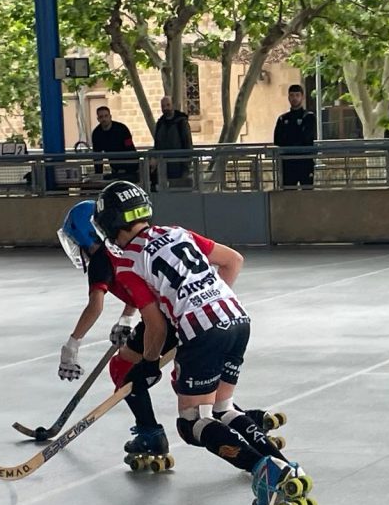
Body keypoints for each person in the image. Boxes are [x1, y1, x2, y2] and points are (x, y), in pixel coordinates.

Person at [93, 180, 316, 505]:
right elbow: (233, 261)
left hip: (203, 330)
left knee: (192, 422)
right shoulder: (177, 233)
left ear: (110, 225)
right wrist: (208, 303)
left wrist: (148, 364)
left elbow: (155, 324)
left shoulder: (128, 261)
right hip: (237, 318)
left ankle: (262, 470)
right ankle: (285, 467)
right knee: (223, 408)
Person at [56, 199, 286, 471]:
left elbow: (99, 304)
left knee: (126, 371)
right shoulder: (169, 234)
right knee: (193, 384)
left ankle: (150, 433)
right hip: (220, 316)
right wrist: (127, 318)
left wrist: (72, 345)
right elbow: (144, 288)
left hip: (170, 319)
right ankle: (240, 423)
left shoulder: (106, 259)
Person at [273, 84, 316, 189]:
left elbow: (307, 137)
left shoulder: (309, 117)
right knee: (288, 192)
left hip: (305, 161)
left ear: (302, 97)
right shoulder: (282, 119)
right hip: (288, 162)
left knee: (307, 192)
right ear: (288, 97)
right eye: (292, 95)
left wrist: (290, 138)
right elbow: (278, 140)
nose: (294, 98)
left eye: (297, 95)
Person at [151, 95, 193, 188]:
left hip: (178, 166)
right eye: (163, 106)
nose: (165, 108)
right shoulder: (160, 124)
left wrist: (186, 168)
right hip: (163, 168)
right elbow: (157, 145)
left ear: (172, 105)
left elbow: (188, 145)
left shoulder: (181, 123)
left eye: (168, 105)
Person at [91, 106, 139, 182]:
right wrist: (98, 175)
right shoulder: (96, 133)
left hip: (130, 166)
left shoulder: (122, 129)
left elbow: (130, 148)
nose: (104, 119)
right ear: (98, 119)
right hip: (115, 167)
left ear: (110, 117)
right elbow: (97, 156)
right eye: (101, 117)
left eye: (106, 116)